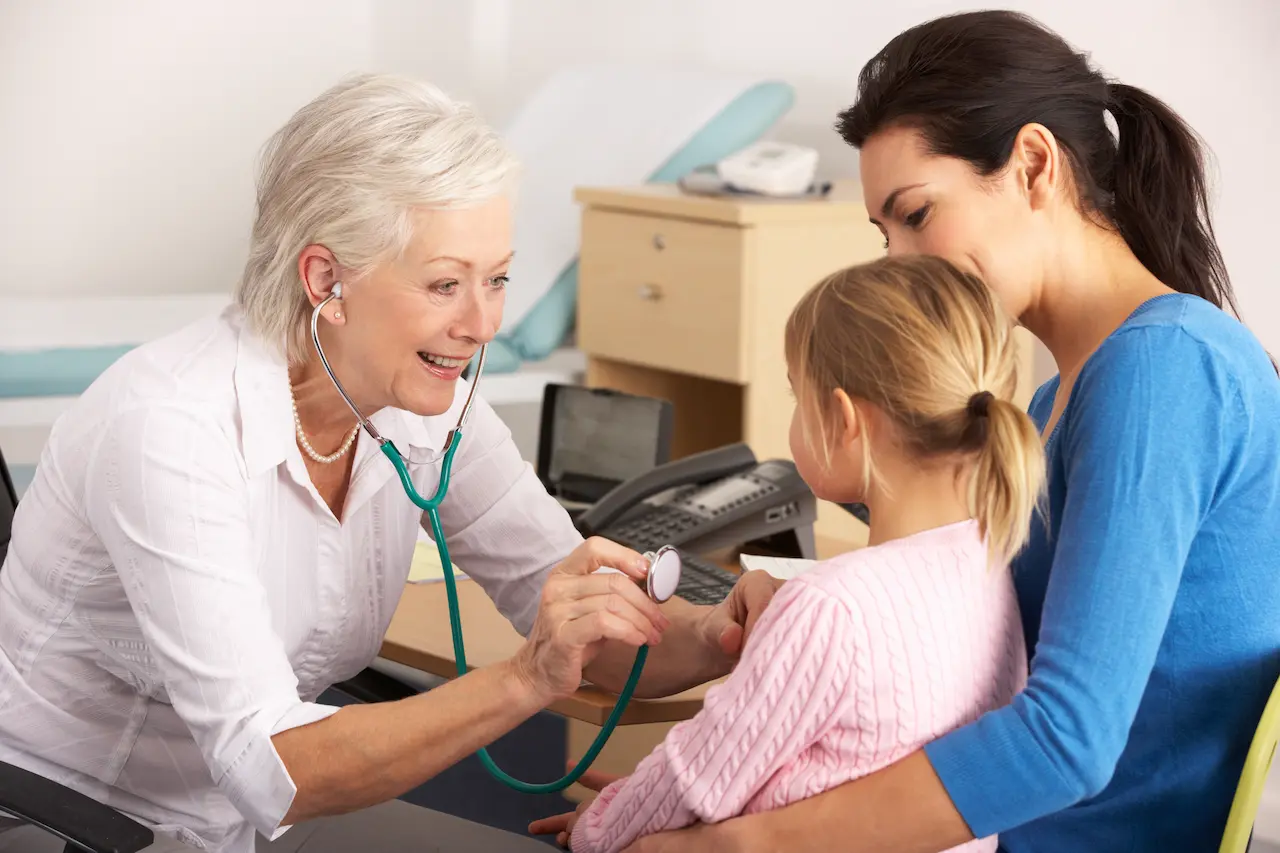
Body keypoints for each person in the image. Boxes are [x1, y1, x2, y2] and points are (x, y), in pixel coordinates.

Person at [548, 10, 1280, 853]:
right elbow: (971, 646)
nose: (900, 263)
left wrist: (740, 841)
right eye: (883, 231)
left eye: (918, 214)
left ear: (1034, 165)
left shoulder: (1160, 371)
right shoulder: (1056, 396)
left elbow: (1064, 740)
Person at [0, 74, 778, 853]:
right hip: (77, 819)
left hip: (250, 821)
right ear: (325, 282)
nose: (481, 324)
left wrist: (721, 631)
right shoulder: (172, 427)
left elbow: (586, 625)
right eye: (445, 284)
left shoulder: (424, 405)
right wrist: (520, 679)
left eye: (497, 278)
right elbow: (271, 764)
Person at [534, 255, 1044, 853]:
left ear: (846, 420)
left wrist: (598, 828)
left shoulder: (831, 607)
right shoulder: (989, 563)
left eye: (797, 395)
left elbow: (696, 780)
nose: (794, 415)